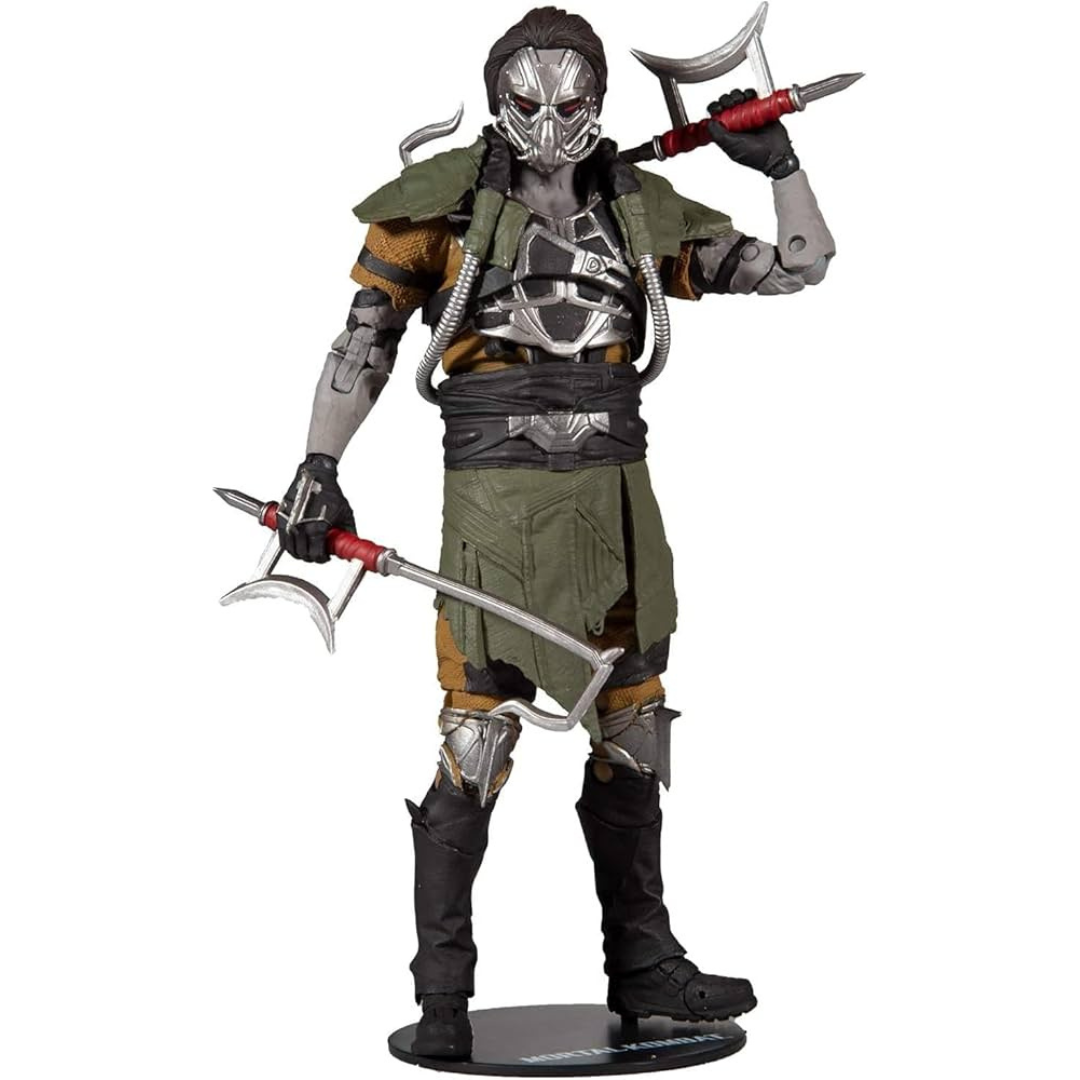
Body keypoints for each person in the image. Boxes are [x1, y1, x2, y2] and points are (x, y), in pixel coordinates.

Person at [275, 6, 835, 1060]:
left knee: (634, 725)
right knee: (475, 738)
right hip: (493, 507)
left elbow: (802, 262)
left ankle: (646, 967)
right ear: (497, 101)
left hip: (618, 501)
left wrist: (781, 162)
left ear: (600, 105)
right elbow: (364, 342)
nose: (548, 123)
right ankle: (443, 996)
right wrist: (318, 468)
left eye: (572, 103)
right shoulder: (435, 208)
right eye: (527, 102)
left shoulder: (640, 207)